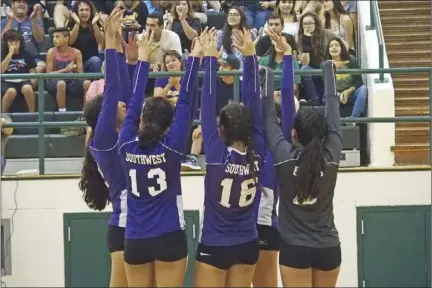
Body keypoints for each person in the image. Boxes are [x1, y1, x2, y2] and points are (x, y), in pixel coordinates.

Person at [117, 29, 201, 287]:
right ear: (169, 125)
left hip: (136, 237)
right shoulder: (173, 146)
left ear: (141, 119)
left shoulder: (126, 145)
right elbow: (186, 100)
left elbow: (133, 101)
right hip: (169, 235)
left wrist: (141, 59)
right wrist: (195, 58)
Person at [262, 33, 342, 287]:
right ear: (323, 135)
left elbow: (268, 118)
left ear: (294, 134)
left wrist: (265, 75)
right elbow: (332, 109)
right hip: (329, 247)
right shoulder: (332, 156)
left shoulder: (285, 157)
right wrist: (328, 69)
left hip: (294, 248)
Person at [193, 29, 265, 288]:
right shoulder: (258, 149)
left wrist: (210, 58)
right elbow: (254, 103)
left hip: (215, 244)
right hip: (247, 243)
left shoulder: (215, 152)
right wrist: (250, 57)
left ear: (221, 129)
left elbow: (206, 101)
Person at [78, 7, 136, 288]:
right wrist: (110, 40)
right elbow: (113, 88)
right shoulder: (103, 141)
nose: (121, 104)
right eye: (114, 106)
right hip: (123, 225)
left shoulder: (118, 130)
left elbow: (121, 89)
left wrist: (125, 56)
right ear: (104, 116)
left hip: (137, 224)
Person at [253, 35, 298, 288]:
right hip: (245, 226)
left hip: (263, 227)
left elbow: (288, 107)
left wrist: (289, 57)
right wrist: (254, 63)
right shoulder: (259, 142)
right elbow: (259, 101)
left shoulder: (282, 149)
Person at [45, 27, 91, 111]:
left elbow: (81, 74)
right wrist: (65, 70)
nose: (54, 39)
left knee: (87, 83)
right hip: (55, 80)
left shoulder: (76, 52)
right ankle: (62, 113)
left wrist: (75, 69)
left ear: (66, 39)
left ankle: (85, 112)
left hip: (72, 79)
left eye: (57, 37)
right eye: (54, 37)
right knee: (61, 83)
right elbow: (48, 74)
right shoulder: (51, 52)